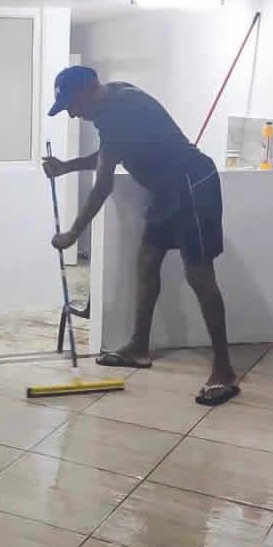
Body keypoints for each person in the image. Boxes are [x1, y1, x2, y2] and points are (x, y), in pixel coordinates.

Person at [43, 65, 239, 406]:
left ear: (90, 89)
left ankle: (224, 370)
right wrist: (66, 167)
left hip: (193, 184)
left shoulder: (122, 108)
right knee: (147, 262)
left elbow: (103, 183)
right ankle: (138, 345)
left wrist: (73, 233)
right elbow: (108, 153)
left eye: (72, 104)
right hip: (166, 191)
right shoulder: (110, 106)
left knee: (199, 275)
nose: (73, 114)